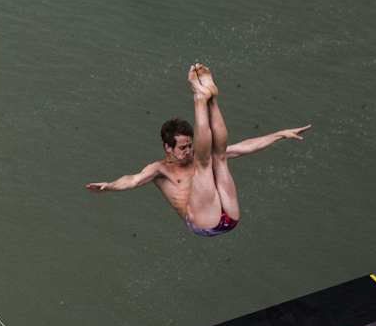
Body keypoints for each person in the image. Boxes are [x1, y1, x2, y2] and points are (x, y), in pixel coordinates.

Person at [85, 64, 311, 237]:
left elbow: (244, 147)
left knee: (219, 157)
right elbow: (132, 180)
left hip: (230, 218)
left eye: (190, 145)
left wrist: (279, 134)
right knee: (204, 164)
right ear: (168, 148)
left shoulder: (196, 156)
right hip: (203, 224)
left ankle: (211, 98)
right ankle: (200, 98)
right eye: (182, 147)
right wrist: (110, 186)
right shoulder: (159, 169)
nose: (188, 151)